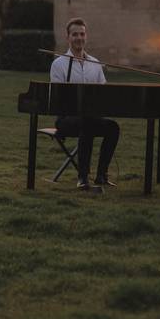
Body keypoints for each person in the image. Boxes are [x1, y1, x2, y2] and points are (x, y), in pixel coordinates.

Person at [50, 17, 120, 190]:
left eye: (82, 34)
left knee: (113, 127)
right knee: (87, 123)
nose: (79, 38)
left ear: (86, 36)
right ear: (68, 38)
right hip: (66, 120)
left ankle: (101, 176)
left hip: (89, 118)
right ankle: (82, 177)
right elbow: (57, 99)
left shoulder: (94, 63)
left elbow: (103, 92)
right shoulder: (58, 64)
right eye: (75, 34)